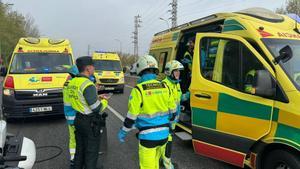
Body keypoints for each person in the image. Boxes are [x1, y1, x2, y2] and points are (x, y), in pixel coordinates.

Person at [118, 54, 177, 169]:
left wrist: (123, 132)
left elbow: (131, 117)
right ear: (155, 70)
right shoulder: (165, 86)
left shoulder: (139, 90)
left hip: (148, 137)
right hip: (164, 135)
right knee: (155, 164)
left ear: (140, 71)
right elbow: (173, 113)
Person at [68, 56, 109, 169]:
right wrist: (104, 101)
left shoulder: (73, 82)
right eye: (93, 66)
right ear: (88, 68)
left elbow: (81, 99)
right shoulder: (88, 84)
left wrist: (96, 96)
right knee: (91, 152)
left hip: (78, 119)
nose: (94, 68)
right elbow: (97, 108)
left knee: (80, 150)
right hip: (89, 122)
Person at [161, 60, 190, 169]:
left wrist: (188, 94)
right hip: (166, 120)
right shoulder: (164, 84)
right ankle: (167, 163)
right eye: (176, 71)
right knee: (167, 141)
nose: (178, 74)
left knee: (164, 141)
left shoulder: (176, 84)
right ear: (169, 72)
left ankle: (161, 159)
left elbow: (179, 98)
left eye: (179, 71)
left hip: (173, 120)